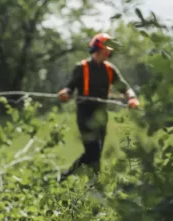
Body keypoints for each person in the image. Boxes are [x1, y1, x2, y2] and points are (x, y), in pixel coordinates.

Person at [57, 33, 140, 181]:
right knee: (93, 151)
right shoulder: (81, 67)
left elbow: (125, 87)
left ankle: (93, 185)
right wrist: (65, 94)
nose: (108, 52)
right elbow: (69, 88)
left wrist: (132, 98)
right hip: (85, 114)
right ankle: (66, 176)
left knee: (97, 154)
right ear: (97, 48)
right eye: (105, 49)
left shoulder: (110, 69)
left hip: (101, 114)